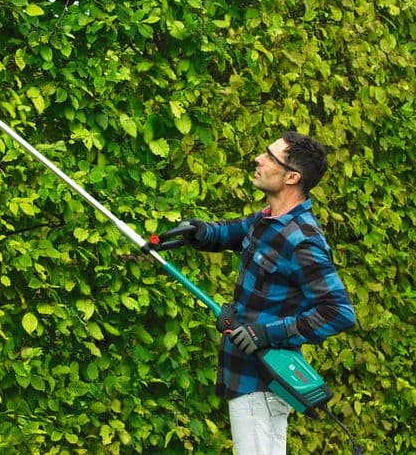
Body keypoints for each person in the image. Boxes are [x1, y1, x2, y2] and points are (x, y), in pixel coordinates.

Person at [149, 131, 356, 454]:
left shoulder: (303, 240)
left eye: (271, 157)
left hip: (263, 382)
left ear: (292, 177)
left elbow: (338, 312)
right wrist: (199, 232)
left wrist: (266, 334)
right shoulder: (267, 220)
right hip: (242, 375)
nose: (259, 159)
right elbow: (230, 233)